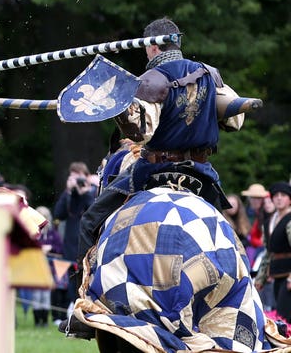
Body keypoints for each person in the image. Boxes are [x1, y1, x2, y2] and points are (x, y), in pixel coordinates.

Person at [66, 18, 241, 336]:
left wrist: (120, 109)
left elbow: (141, 131)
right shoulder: (209, 73)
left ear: (151, 45)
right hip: (201, 172)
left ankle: (85, 304)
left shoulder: (151, 79)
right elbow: (236, 121)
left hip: (154, 168)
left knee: (91, 220)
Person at [53, 161, 94, 306]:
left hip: (88, 246)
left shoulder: (93, 192)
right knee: (71, 283)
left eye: (79, 177)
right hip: (71, 248)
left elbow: (94, 213)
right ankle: (71, 309)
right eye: (73, 177)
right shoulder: (70, 195)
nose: (77, 181)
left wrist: (87, 193)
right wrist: (68, 192)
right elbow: (58, 214)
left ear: (87, 177)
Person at [254, 182, 291, 322]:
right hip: (277, 273)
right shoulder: (269, 221)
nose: (279, 198)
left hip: (289, 274)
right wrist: (260, 279)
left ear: (289, 199)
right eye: (276, 196)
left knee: (284, 316)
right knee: (280, 315)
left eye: (283, 195)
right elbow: (268, 253)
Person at [31, 206, 63, 327]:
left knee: (45, 294)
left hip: (49, 268)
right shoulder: (32, 232)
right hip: (35, 267)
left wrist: (51, 248)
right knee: (36, 294)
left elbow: (60, 248)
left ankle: (44, 321)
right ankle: (37, 321)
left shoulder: (53, 234)